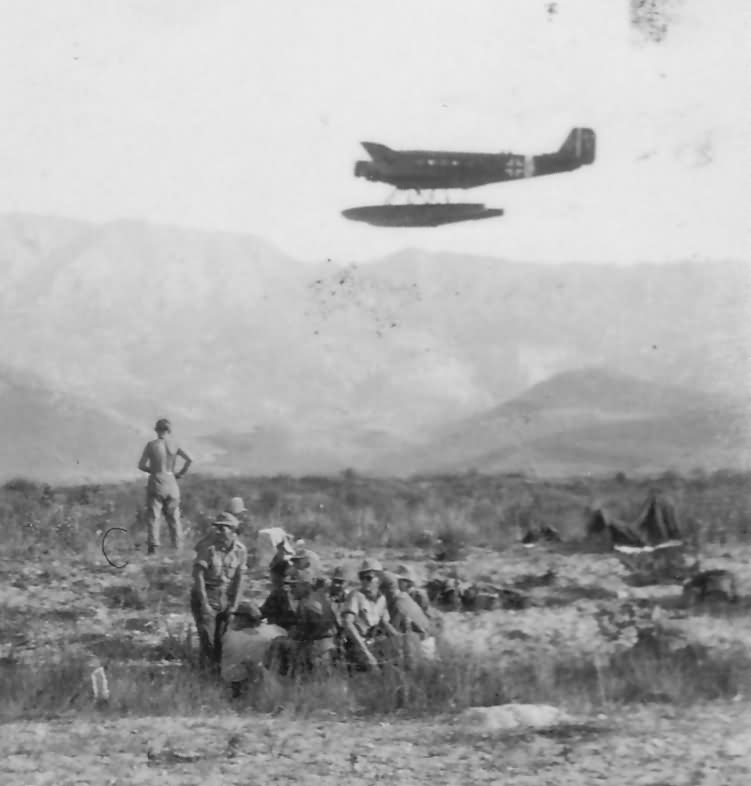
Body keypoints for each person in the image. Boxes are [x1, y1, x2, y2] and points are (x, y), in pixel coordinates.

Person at [190, 511, 247, 674]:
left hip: (226, 596)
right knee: (208, 640)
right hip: (207, 593)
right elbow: (198, 576)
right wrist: (205, 603)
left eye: (223, 528)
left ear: (233, 530)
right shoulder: (208, 547)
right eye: (217, 528)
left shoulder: (240, 550)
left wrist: (234, 605)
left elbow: (240, 578)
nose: (219, 531)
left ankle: (219, 673)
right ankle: (207, 675)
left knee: (223, 639)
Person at [266, 565, 338, 676]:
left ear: (305, 585)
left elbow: (305, 632)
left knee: (277, 643)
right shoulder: (319, 598)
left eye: (294, 586)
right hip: (327, 647)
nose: (290, 590)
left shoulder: (306, 604)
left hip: (314, 650)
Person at [138, 418, 193, 555]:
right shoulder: (175, 444)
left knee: (154, 516)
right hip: (172, 482)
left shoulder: (151, 445)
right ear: (169, 430)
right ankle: (177, 547)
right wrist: (180, 474)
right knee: (174, 517)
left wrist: (154, 471)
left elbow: (141, 465)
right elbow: (189, 459)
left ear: (157, 430)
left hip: (157, 481)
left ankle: (154, 548)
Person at [341, 558, 399, 671]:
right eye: (362, 578)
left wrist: (400, 640)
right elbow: (348, 624)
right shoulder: (356, 596)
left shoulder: (382, 598)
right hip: (357, 645)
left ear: (379, 579)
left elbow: (384, 622)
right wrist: (366, 653)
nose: (364, 581)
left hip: (374, 643)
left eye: (368, 578)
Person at [381, 572, 436, 665]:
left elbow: (392, 634)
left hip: (420, 646)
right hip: (427, 642)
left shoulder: (398, 604)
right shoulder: (404, 596)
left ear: (385, 590)